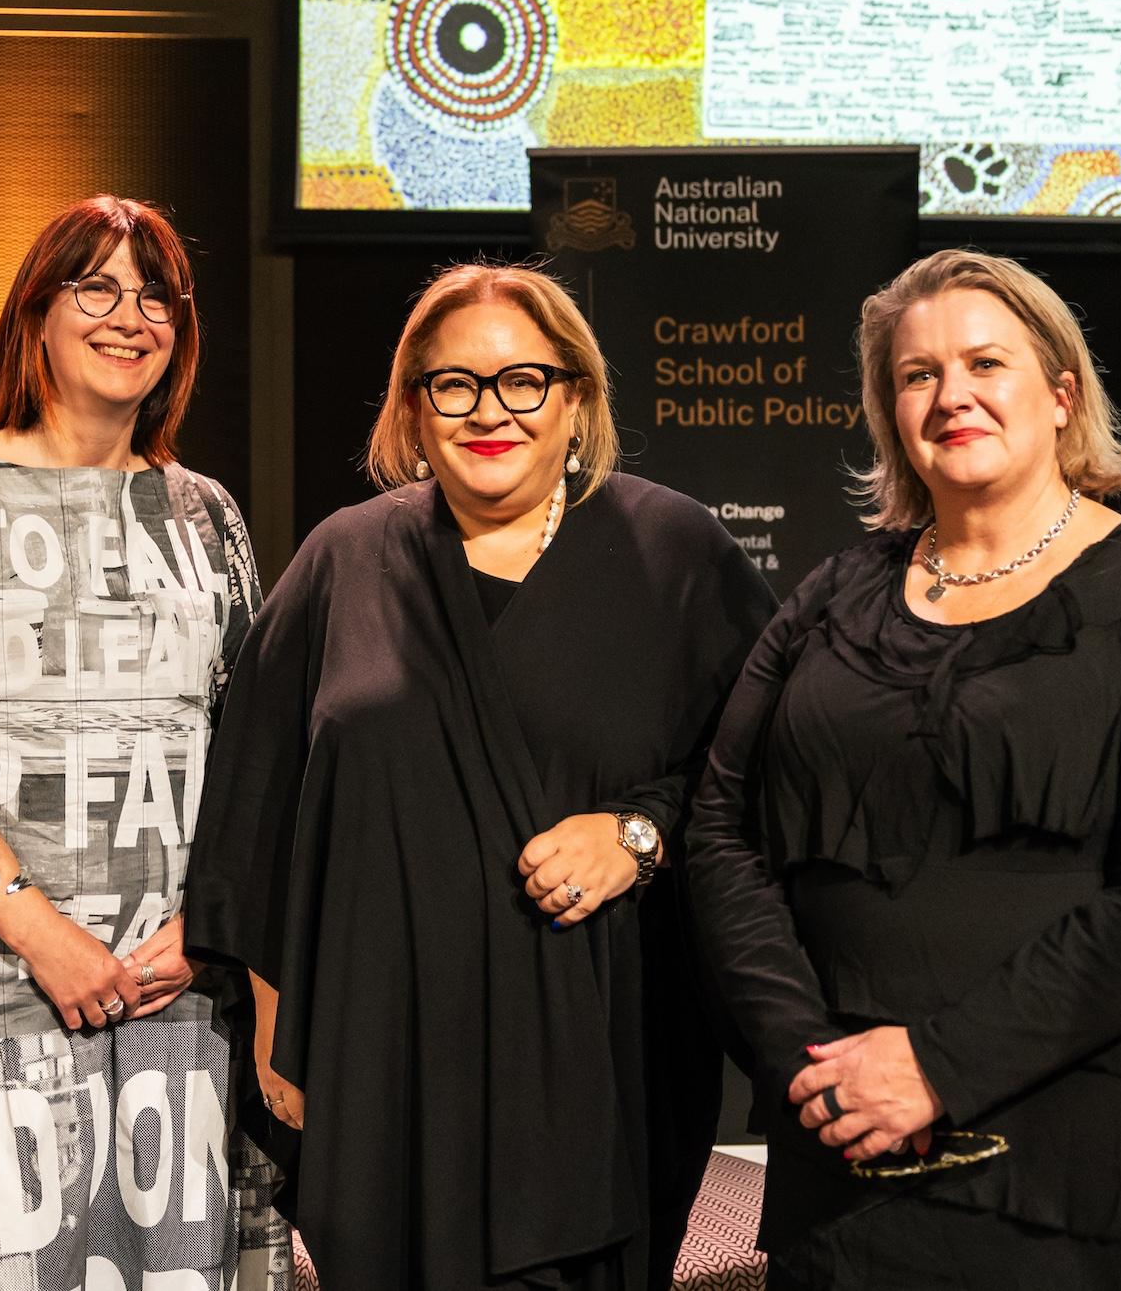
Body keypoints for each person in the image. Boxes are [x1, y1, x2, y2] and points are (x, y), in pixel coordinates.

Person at [685, 248, 1121, 1288]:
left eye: (984, 364)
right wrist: (809, 1067)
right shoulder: (830, 597)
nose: (949, 394)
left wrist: (933, 1067)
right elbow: (719, 827)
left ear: (1059, 395)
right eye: (915, 374)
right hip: (845, 1146)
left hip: (1078, 1164)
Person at [182, 263, 778, 1290]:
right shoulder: (342, 562)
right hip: (388, 1059)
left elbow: (759, 777)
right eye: (450, 384)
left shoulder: (674, 554)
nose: (486, 412)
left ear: (577, 397)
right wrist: (279, 1019)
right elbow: (255, 802)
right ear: (412, 408)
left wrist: (636, 836)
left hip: (603, 1055)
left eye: (521, 382)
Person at [0, 195, 288, 1291]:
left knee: (163, 1259)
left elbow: (252, 746)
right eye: (97, 286)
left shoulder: (207, 515)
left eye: (156, 295)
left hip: (168, 973)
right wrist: (41, 937)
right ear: (34, 313)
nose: (130, 315)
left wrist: (205, 929)